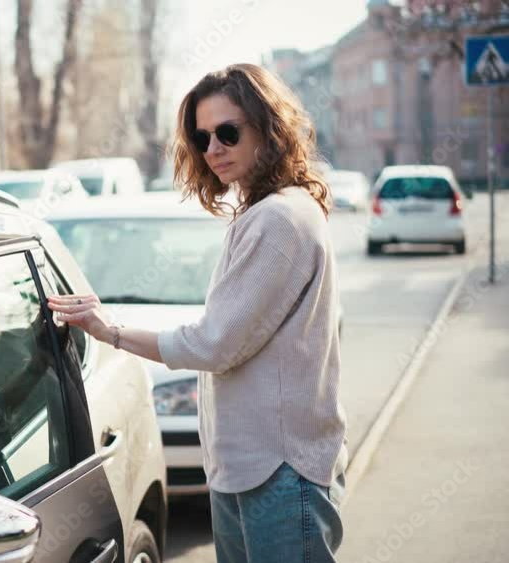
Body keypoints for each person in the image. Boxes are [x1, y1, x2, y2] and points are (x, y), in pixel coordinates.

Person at [48, 63, 347, 563]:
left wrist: (111, 331)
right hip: (256, 468)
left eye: (228, 132)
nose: (213, 149)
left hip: (278, 471)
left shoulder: (278, 219)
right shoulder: (268, 210)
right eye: (201, 136)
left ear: (269, 129)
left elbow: (214, 344)